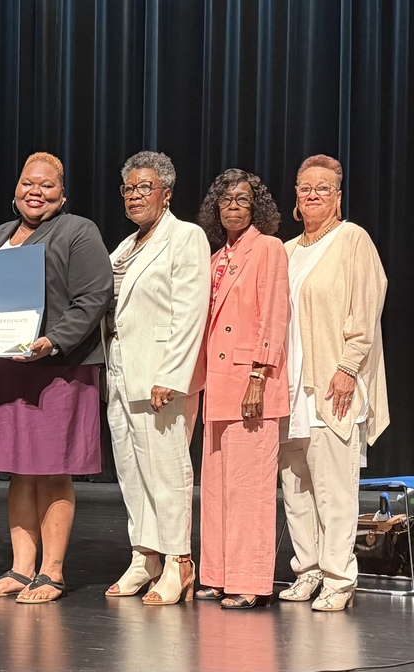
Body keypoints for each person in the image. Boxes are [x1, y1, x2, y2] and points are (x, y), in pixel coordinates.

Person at [0, 152, 113, 604]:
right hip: (4, 367)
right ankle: (20, 567)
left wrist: (52, 340)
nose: (36, 192)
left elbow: (93, 297)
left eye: (48, 186)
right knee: (20, 471)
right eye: (29, 183)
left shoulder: (78, 231)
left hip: (56, 369)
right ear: (15, 190)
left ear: (62, 195)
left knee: (52, 470)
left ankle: (52, 572)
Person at [278, 154, 389, 611]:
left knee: (334, 486)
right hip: (291, 388)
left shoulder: (352, 240)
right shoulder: (286, 250)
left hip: (333, 383)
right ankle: (307, 570)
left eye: (323, 188)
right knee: (296, 483)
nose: (313, 194)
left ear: (338, 197)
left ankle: (340, 577)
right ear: (296, 198)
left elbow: (366, 308)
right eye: (305, 187)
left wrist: (347, 368)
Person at [103, 151, 209, 606]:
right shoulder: (125, 247)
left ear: (166, 193)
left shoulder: (186, 237)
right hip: (122, 372)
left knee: (166, 471)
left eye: (144, 187)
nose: (134, 196)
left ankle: (178, 561)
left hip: (159, 376)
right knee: (131, 469)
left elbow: (190, 310)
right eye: (128, 188)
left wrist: (173, 374)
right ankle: (144, 554)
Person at [194, 169, 289, 609]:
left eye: (242, 199)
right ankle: (217, 574)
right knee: (215, 487)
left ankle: (250, 581)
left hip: (252, 382)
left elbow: (273, 314)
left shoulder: (267, 249)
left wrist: (259, 374)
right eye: (226, 199)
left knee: (249, 487)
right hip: (216, 385)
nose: (233, 205)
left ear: (257, 208)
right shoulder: (215, 259)